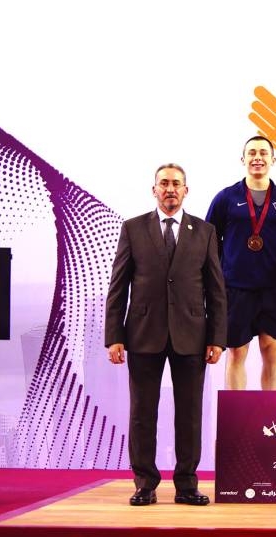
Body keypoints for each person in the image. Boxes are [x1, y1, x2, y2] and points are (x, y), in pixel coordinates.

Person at [105, 163, 226, 507]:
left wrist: (217, 338)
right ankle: (145, 483)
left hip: (192, 335)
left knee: (189, 413)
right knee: (143, 412)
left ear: (186, 190)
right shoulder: (133, 228)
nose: (170, 189)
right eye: (164, 184)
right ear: (153, 189)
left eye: (176, 184)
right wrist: (114, 336)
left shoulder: (204, 231)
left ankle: (187, 485)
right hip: (143, 334)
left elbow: (216, 291)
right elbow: (118, 287)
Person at [206, 136, 276, 390]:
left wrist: (271, 259)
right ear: (243, 159)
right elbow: (210, 240)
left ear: (272, 160)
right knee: (236, 352)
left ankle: (269, 415)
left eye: (263, 153)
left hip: (273, 287)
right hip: (236, 287)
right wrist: (230, 263)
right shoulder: (226, 198)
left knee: (272, 350)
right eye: (252, 153)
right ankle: (237, 416)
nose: (258, 157)